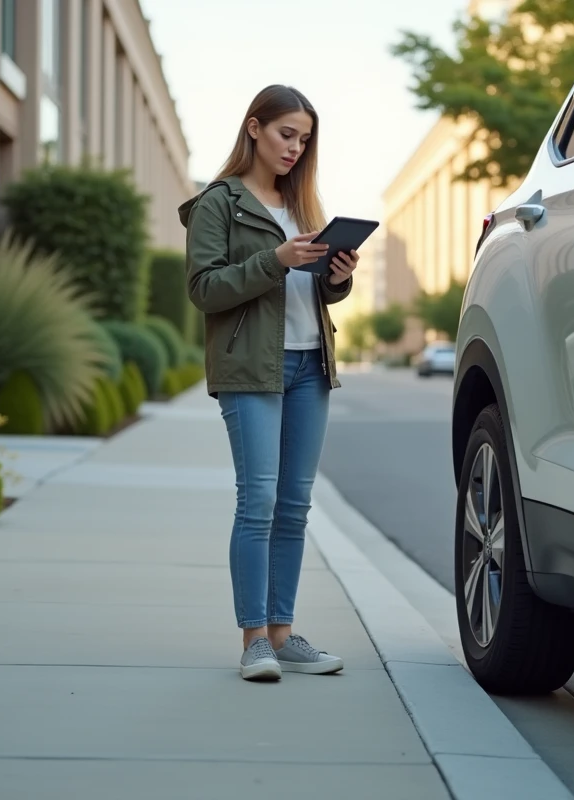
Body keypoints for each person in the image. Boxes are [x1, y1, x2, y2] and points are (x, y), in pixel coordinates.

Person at [178, 85, 358, 681]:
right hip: (252, 366)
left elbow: (311, 295)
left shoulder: (303, 204)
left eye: (304, 139)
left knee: (294, 505)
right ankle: (254, 638)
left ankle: (282, 633)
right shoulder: (218, 203)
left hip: (311, 366)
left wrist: (336, 277)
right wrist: (275, 260)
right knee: (257, 501)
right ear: (254, 128)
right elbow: (205, 289)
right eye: (287, 134)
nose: (295, 148)